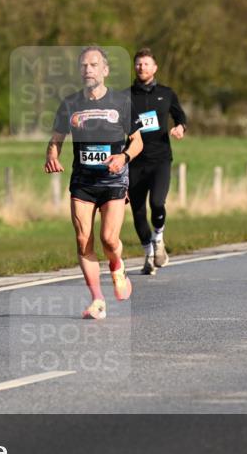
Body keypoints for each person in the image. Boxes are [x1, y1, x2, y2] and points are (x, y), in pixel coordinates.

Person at [45, 46, 144, 319]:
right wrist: (51, 156)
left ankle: (117, 265)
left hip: (113, 178)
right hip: (83, 181)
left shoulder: (121, 102)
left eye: (93, 64)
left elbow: (137, 141)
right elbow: (56, 140)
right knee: (82, 239)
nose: (88, 69)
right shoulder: (70, 104)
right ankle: (97, 300)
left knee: (109, 239)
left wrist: (123, 157)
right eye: (83, 66)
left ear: (105, 70)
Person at [128, 48, 188, 275]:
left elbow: (180, 115)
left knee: (156, 203)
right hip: (134, 160)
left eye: (146, 64)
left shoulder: (166, 93)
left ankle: (159, 238)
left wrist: (180, 127)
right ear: (134, 67)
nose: (142, 67)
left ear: (155, 68)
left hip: (160, 159)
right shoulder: (125, 96)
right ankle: (148, 255)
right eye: (138, 64)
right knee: (137, 211)